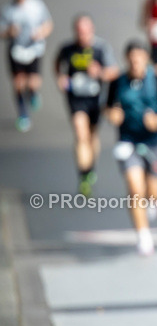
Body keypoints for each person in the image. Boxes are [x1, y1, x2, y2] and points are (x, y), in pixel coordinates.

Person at [105, 41, 157, 256]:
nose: (136, 62)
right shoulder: (118, 82)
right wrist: (113, 116)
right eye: (132, 57)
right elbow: (109, 108)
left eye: (139, 57)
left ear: (146, 59)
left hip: (153, 143)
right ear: (127, 59)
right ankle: (143, 235)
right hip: (128, 142)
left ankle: (152, 203)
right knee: (134, 186)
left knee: (153, 191)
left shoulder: (156, 81)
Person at [55, 15, 119, 195]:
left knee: (92, 136)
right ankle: (83, 174)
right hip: (76, 98)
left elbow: (114, 72)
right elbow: (57, 64)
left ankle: (90, 168)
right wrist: (60, 78)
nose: (82, 36)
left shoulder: (100, 48)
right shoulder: (67, 49)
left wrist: (99, 72)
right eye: (79, 32)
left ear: (92, 30)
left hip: (95, 98)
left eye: (85, 32)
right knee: (80, 133)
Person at [0, 0, 53, 131]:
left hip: (34, 49)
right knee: (18, 83)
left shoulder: (37, 6)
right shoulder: (8, 10)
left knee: (33, 81)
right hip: (16, 50)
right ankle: (23, 113)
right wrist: (9, 32)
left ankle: (33, 92)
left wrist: (41, 33)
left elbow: (48, 24)